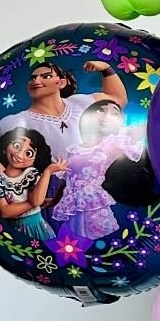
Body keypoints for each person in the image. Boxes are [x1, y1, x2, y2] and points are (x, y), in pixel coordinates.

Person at [0, 60, 126, 178]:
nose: (36, 81)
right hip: (53, 192)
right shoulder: (15, 121)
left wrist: (106, 69)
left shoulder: (81, 102)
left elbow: (117, 99)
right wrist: (14, 188)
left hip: (97, 182)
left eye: (46, 76)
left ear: (61, 82)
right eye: (32, 78)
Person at [50, 101, 145, 239]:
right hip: (72, 209)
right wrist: (53, 201)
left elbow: (141, 130)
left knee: (94, 236)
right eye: (100, 110)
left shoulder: (113, 143)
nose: (106, 116)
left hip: (94, 208)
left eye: (114, 114)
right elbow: (66, 181)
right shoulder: (74, 149)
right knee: (74, 239)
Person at [0, 128, 65, 243]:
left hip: (38, 228)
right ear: (6, 145)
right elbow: (5, 211)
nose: (19, 154)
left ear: (35, 159)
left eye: (28, 153)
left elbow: (37, 200)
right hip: (13, 231)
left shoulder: (32, 174)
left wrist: (48, 172)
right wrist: (33, 203)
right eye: (17, 145)